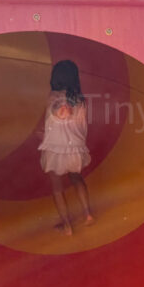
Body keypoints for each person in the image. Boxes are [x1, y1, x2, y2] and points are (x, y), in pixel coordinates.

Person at [39, 60, 94, 235]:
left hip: (57, 151)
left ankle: (66, 225)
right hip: (75, 150)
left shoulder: (54, 96)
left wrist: (61, 110)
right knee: (77, 178)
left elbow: (60, 112)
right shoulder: (81, 100)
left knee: (57, 187)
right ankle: (87, 214)